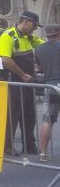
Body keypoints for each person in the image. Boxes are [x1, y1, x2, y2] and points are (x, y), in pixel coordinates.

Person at [0, 11, 45, 156]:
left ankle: (29, 145)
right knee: (13, 114)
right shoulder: (8, 36)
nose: (35, 29)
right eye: (34, 26)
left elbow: (46, 46)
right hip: (15, 81)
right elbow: (5, 59)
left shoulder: (29, 38)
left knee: (29, 114)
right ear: (26, 22)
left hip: (28, 82)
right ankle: (7, 146)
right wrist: (22, 75)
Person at [34, 24, 60, 162]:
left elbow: (38, 68)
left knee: (47, 120)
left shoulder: (38, 49)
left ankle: (43, 153)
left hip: (50, 85)